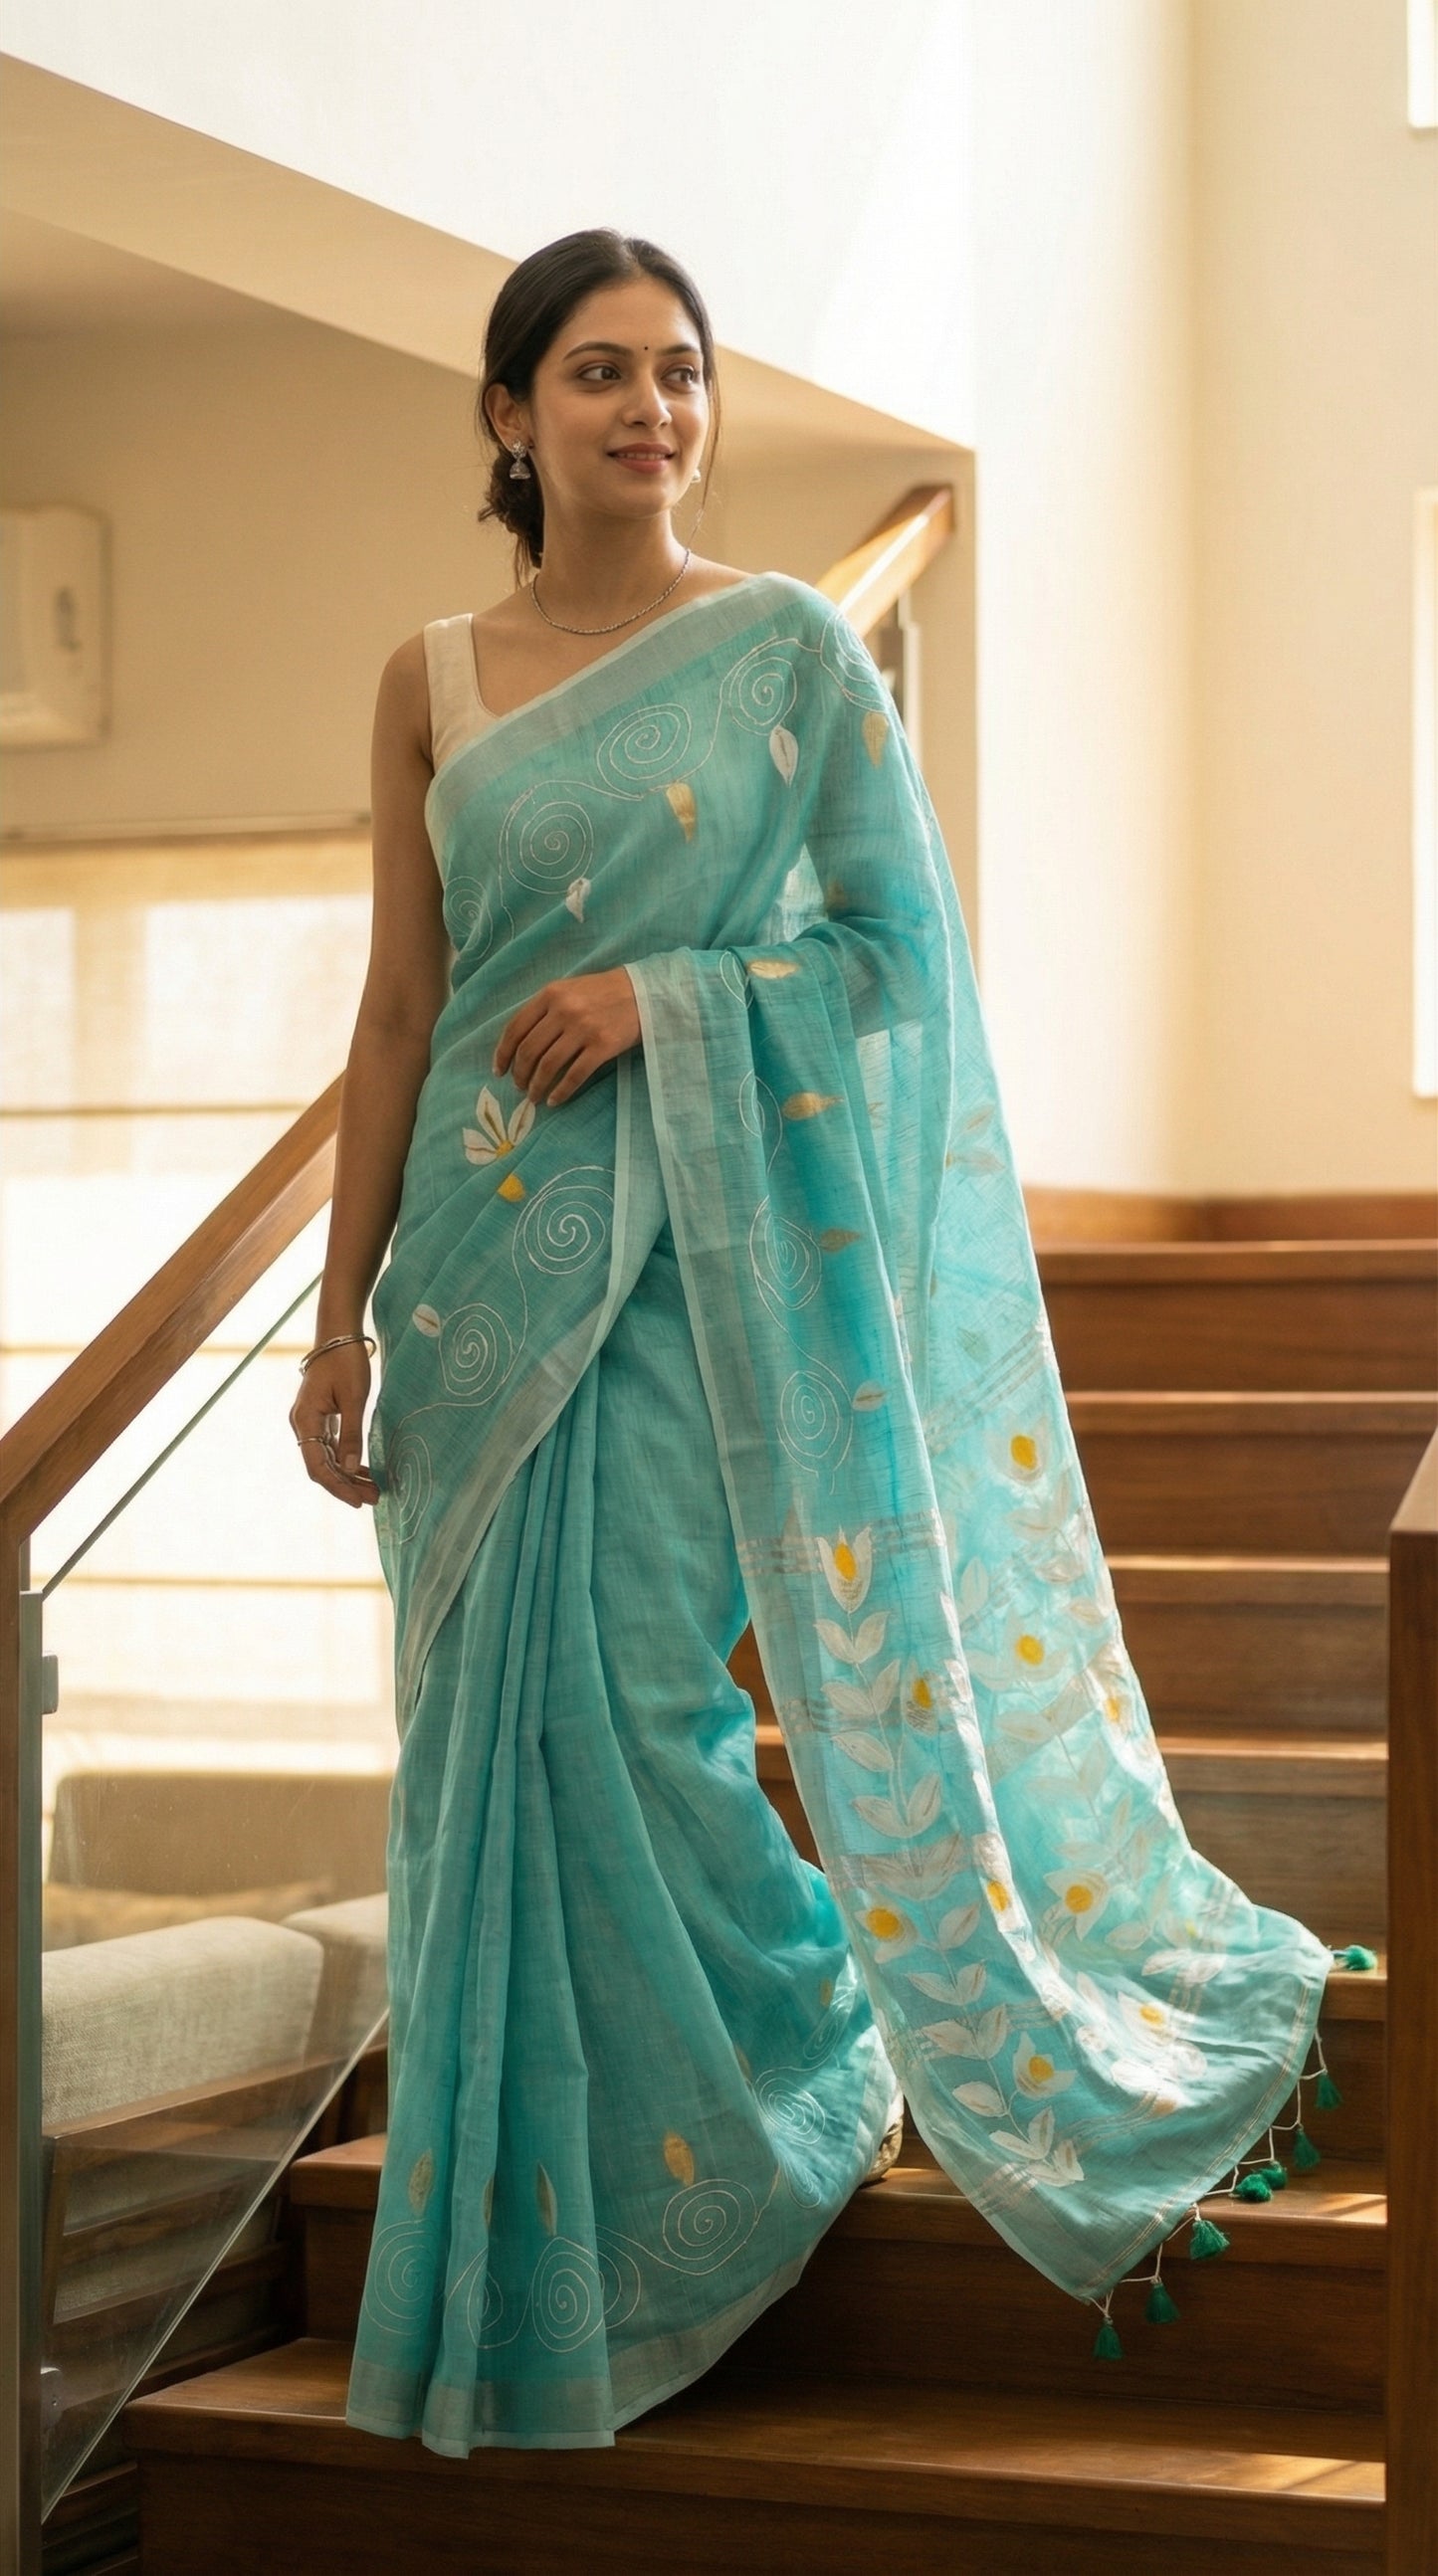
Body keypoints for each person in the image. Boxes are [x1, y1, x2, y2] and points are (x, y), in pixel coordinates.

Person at [292, 228, 1334, 2458]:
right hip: (471, 1281)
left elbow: (891, 960)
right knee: (487, 1751)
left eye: (679, 372)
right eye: (595, 372)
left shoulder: (782, 652)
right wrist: (331, 1318)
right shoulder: (426, 677)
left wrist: (664, 998)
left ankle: (776, 2096)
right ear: (507, 417)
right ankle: (537, 2233)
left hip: (673, 1258)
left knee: (648, 1711)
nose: (648, 408)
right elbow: (395, 1010)